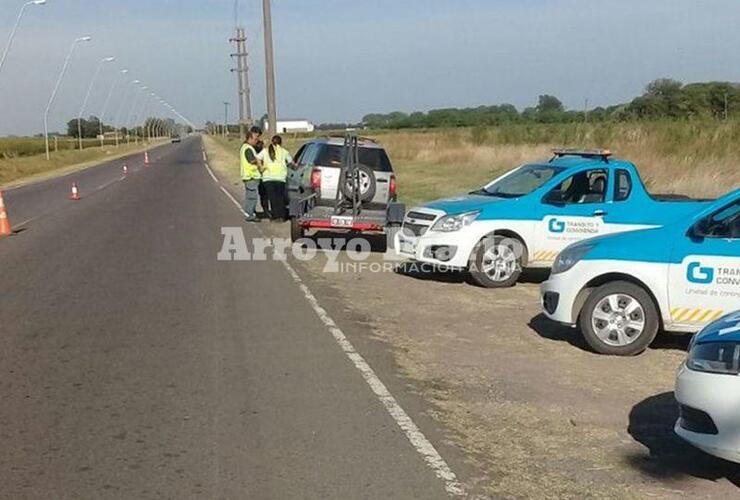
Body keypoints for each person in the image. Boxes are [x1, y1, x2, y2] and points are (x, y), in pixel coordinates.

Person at [259, 135, 292, 221]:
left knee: (272, 198)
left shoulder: (265, 151)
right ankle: (281, 216)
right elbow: (291, 162)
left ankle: (275, 216)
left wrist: (261, 167)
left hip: (268, 178)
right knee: (280, 198)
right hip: (280, 178)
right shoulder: (283, 151)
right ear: (280, 143)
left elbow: (257, 157)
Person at [239, 130, 263, 222]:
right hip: (250, 176)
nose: (256, 141)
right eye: (255, 139)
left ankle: (250, 212)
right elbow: (251, 160)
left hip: (249, 176)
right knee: (252, 197)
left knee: (250, 195)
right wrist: (259, 160)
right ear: (249, 138)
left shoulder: (246, 147)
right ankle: (250, 214)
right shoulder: (248, 149)